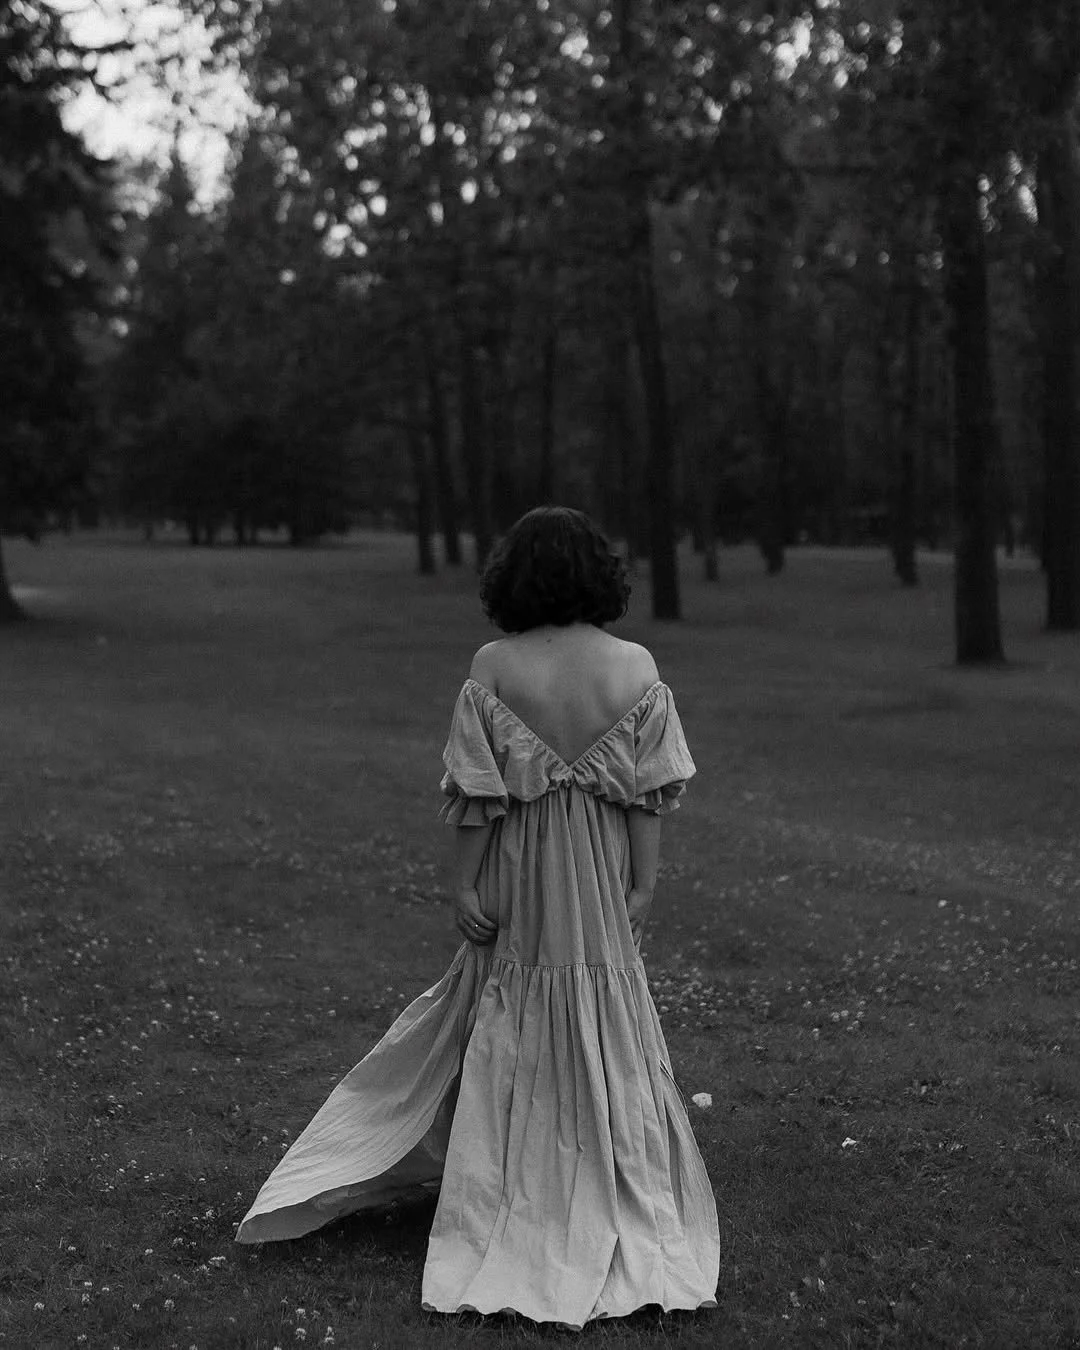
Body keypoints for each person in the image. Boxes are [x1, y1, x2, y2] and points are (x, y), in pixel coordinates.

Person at [235, 506, 720, 1327]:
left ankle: (512, 1171)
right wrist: (643, 886)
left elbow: (475, 797)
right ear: (598, 573)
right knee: (598, 1005)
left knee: (508, 998)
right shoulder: (634, 665)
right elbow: (648, 798)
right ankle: (602, 1165)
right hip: (599, 870)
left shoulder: (495, 663)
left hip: (523, 866)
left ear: (515, 576)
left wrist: (463, 888)